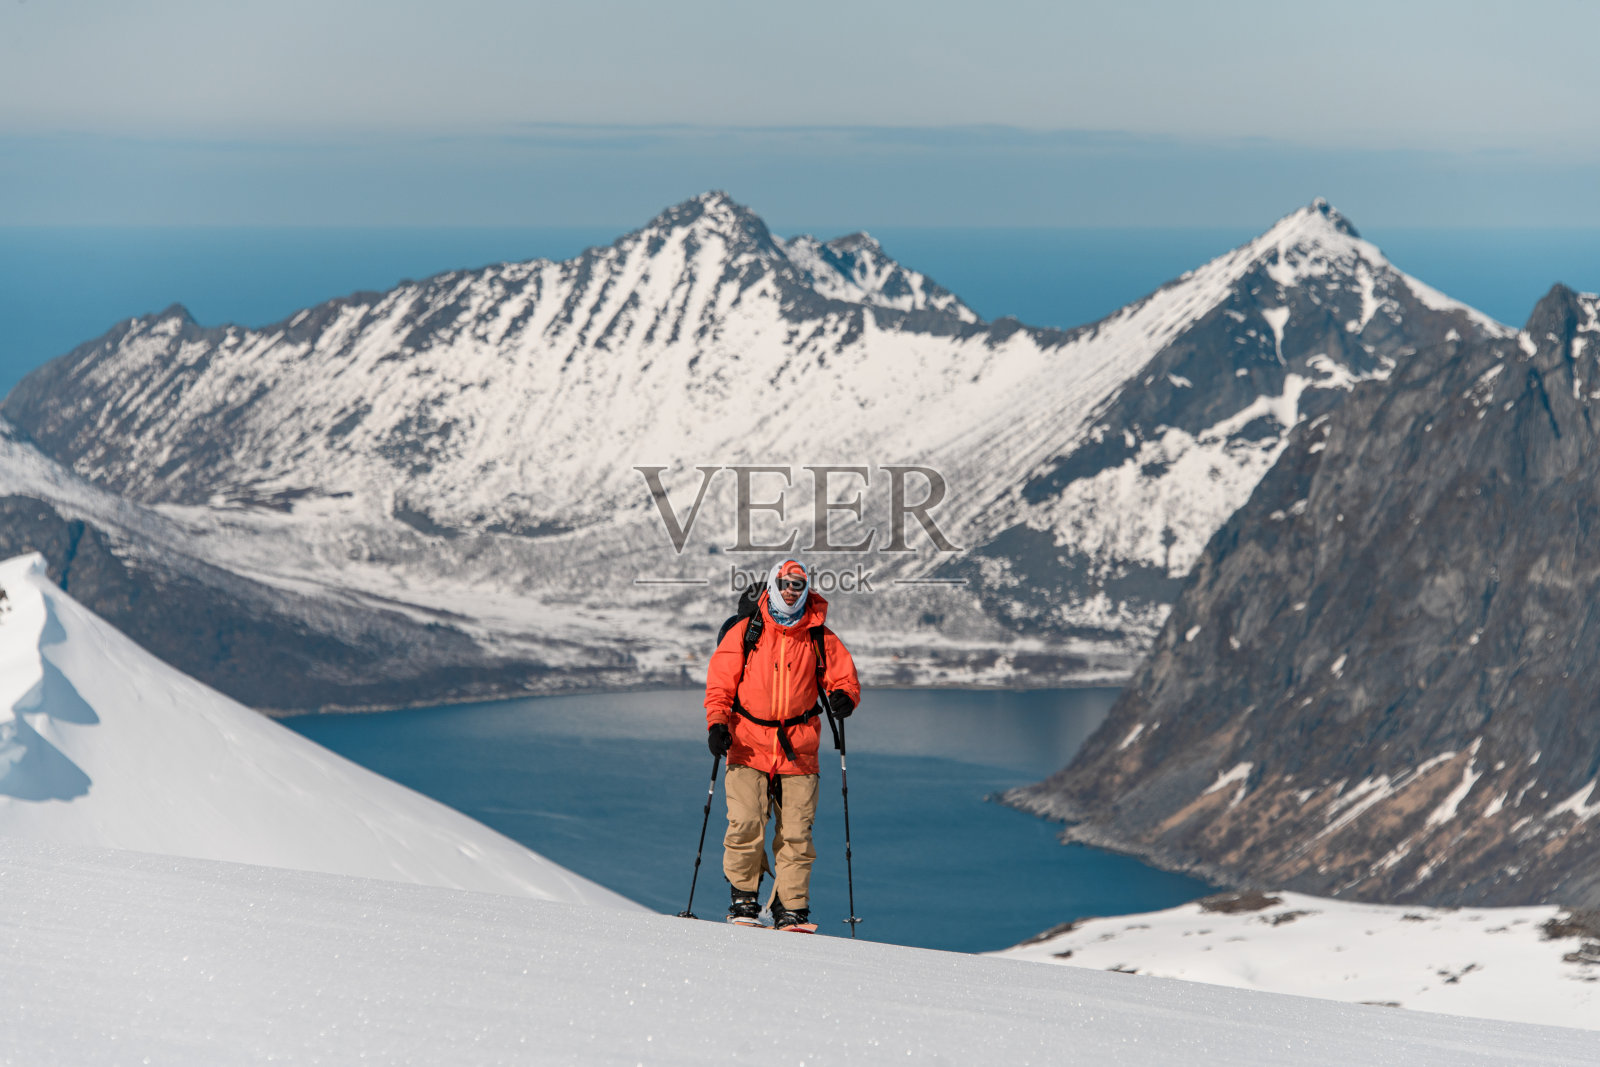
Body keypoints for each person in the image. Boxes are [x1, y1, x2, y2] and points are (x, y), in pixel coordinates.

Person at [704, 559, 860, 930]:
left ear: (806, 590)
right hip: (746, 741)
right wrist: (716, 724)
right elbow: (720, 684)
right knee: (745, 823)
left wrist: (845, 699)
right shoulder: (746, 631)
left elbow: (845, 679)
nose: (791, 590)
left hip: (800, 747)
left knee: (796, 832)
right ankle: (744, 898)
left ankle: (790, 909)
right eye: (785, 583)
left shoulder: (820, 635)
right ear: (773, 585)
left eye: (798, 584)